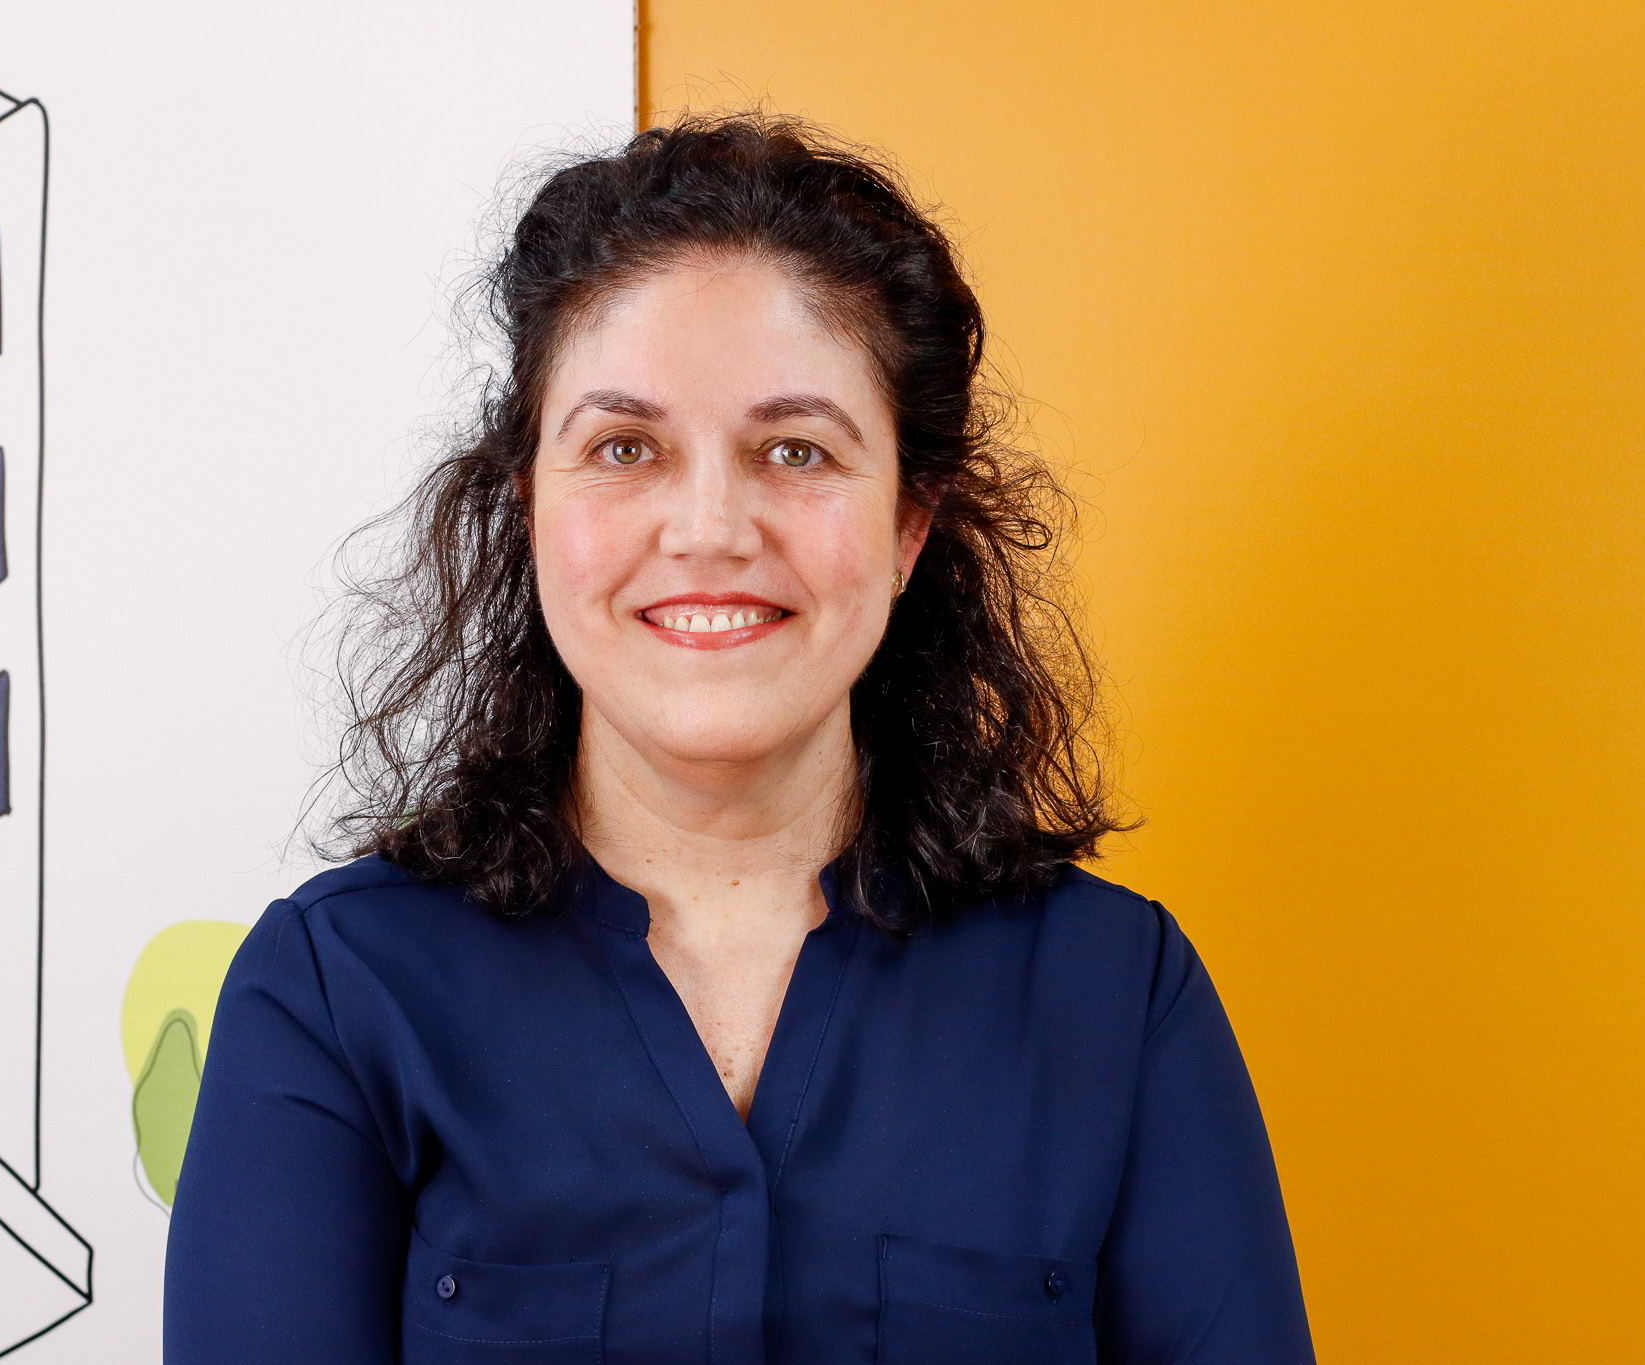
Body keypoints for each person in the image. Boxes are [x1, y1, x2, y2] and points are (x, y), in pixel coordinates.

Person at [163, 113, 1315, 1364]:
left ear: (908, 523)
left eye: (793, 451)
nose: (709, 528)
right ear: (528, 504)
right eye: (624, 448)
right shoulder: (335, 994)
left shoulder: (1115, 996)